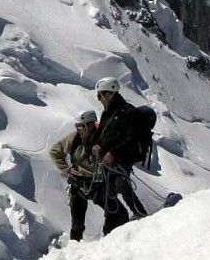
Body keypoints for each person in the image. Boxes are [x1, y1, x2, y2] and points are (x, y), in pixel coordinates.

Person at [93, 75, 150, 231]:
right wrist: (97, 146)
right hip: (107, 160)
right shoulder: (107, 113)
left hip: (123, 157)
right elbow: (102, 135)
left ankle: (139, 213)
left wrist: (112, 152)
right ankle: (111, 225)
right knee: (107, 191)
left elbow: (132, 138)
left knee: (121, 183)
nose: (99, 99)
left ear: (110, 93)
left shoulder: (128, 112)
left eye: (101, 95)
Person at [48, 109, 104, 240]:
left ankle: (112, 242)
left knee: (115, 214)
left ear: (90, 125)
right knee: (77, 225)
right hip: (79, 185)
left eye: (81, 126)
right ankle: (75, 249)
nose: (79, 129)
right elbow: (55, 151)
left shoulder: (102, 138)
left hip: (98, 184)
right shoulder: (74, 138)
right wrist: (67, 169)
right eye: (77, 126)